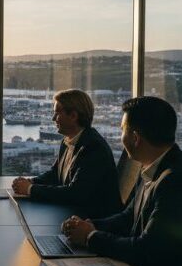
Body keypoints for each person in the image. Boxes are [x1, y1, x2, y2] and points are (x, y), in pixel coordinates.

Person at [60, 96, 182, 266]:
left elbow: (146, 250)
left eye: (122, 130)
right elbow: (130, 216)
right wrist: (90, 225)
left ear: (136, 138)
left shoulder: (176, 181)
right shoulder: (157, 166)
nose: (120, 137)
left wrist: (90, 237)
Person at [11, 89, 121, 217]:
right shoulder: (68, 141)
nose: (53, 118)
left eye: (57, 113)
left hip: (94, 221)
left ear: (73, 116)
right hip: (73, 214)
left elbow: (75, 193)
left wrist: (30, 189)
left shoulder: (93, 147)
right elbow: (55, 174)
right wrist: (31, 182)